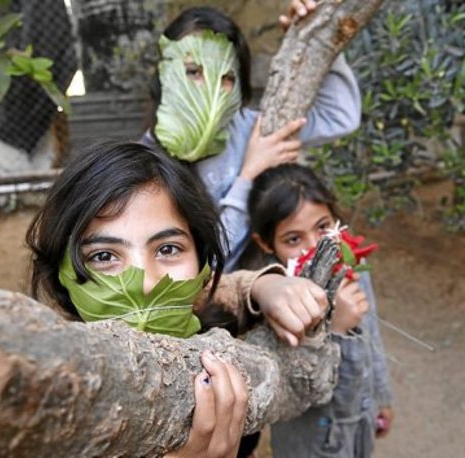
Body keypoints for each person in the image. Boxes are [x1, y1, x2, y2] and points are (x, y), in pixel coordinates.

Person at [26, 141, 362, 456]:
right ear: (61, 273)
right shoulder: (58, 389)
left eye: (168, 249)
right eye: (103, 256)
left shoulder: (199, 302)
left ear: (202, 262)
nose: (146, 283)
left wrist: (267, 286)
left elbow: (230, 289)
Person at [143, 0, 361, 270]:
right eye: (193, 72)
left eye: (226, 77)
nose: (209, 88)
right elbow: (202, 267)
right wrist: (249, 175)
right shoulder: (145, 165)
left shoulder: (253, 128)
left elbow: (338, 116)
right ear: (164, 75)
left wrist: (313, 39)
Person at [247, 163, 394, 457]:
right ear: (265, 243)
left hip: (360, 418)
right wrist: (337, 330)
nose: (316, 247)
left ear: (336, 218)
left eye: (323, 227)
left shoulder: (353, 268)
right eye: (293, 239)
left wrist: (380, 396)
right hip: (312, 441)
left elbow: (372, 333)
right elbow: (299, 388)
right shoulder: (274, 301)